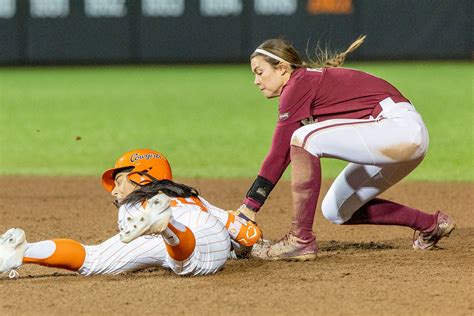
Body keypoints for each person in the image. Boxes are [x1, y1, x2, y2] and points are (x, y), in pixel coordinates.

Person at [233, 35, 455, 260]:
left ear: (281, 68)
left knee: (304, 138)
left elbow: (279, 154)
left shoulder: (297, 84)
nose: (256, 81)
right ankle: (431, 224)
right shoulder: (306, 82)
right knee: (336, 209)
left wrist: (250, 206)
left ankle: (300, 239)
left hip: (398, 127)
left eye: (259, 72)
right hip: (398, 137)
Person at [0, 149, 261, 278]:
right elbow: (249, 235)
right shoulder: (193, 198)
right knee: (184, 258)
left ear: (142, 177)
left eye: (121, 180)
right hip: (205, 229)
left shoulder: (132, 205)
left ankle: (23, 250)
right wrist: (241, 248)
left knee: (94, 258)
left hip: (168, 230)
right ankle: (168, 227)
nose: (114, 190)